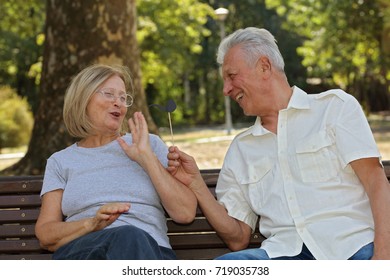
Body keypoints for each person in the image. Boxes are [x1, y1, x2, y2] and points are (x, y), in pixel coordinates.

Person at [167, 27, 390, 260]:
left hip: (352, 250)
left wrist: (383, 257)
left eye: (231, 76)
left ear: (264, 66)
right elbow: (238, 237)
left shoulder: (334, 108)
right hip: (283, 256)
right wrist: (196, 185)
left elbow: (376, 182)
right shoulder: (241, 148)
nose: (226, 90)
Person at [35, 64, 197, 260]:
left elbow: (185, 213)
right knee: (127, 235)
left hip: (150, 254)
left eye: (123, 97)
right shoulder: (60, 161)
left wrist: (146, 157)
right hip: (84, 254)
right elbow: (45, 234)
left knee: (130, 236)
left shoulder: (148, 144)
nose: (118, 103)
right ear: (83, 99)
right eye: (109, 94)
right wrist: (92, 223)